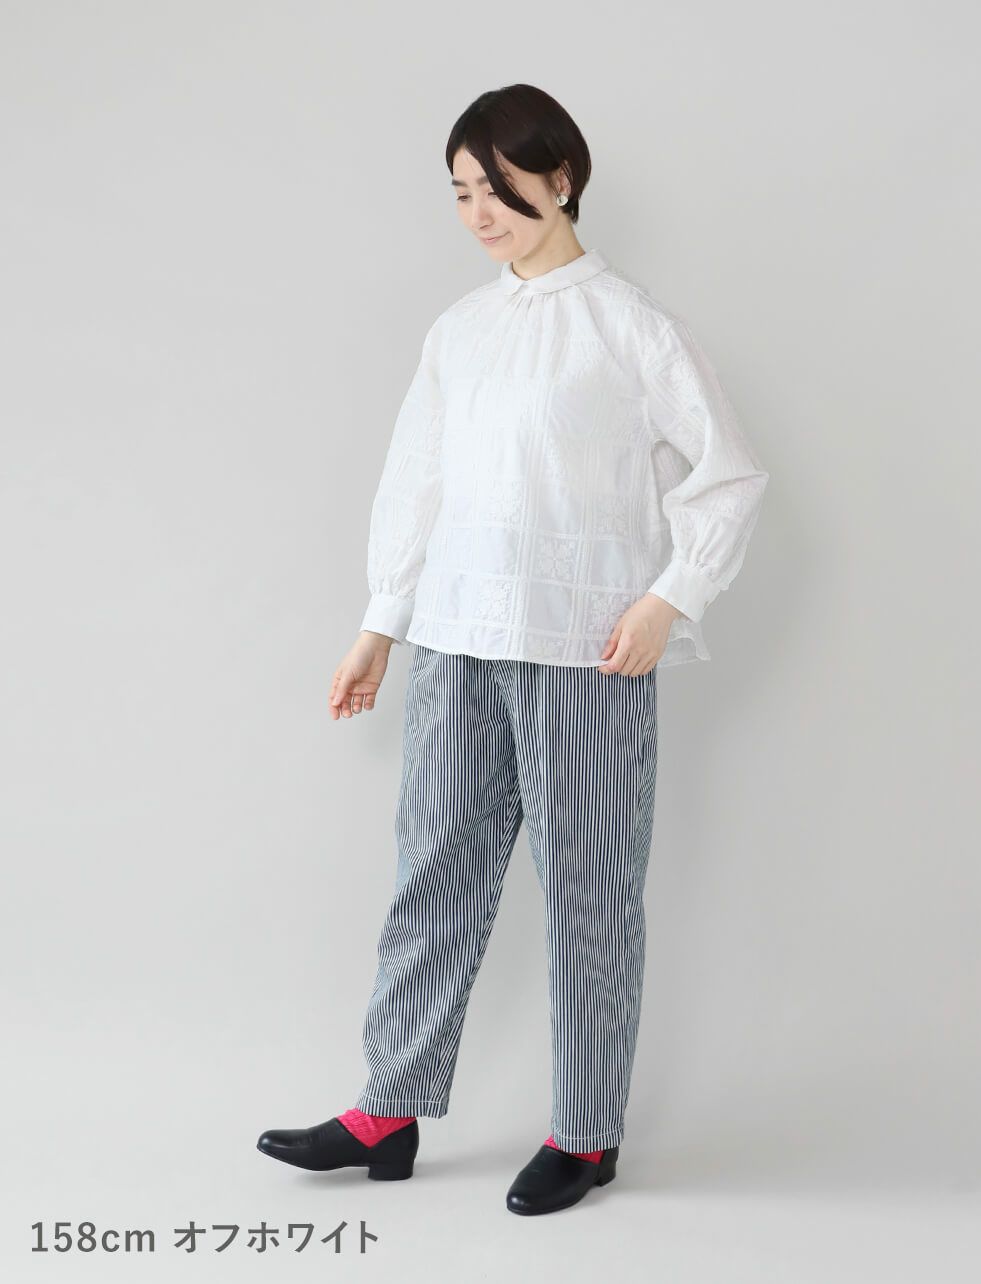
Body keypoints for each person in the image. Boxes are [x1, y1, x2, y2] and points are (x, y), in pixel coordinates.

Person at [257, 83, 769, 1216]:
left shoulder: (632, 327)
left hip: (587, 651)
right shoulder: (460, 331)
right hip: (453, 641)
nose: (478, 212)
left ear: (561, 177)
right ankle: (387, 1109)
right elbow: (418, 482)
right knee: (431, 872)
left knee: (589, 891)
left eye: (496, 186)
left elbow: (728, 474)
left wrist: (670, 599)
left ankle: (585, 1133)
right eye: (459, 193)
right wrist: (379, 627)